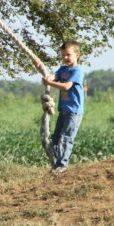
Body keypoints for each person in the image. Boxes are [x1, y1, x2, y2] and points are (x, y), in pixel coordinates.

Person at [40, 41, 85, 174]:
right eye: (63, 55)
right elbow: (55, 76)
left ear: (77, 55)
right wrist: (49, 77)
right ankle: (56, 164)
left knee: (66, 138)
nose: (65, 58)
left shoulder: (77, 70)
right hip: (63, 110)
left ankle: (63, 164)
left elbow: (66, 86)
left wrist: (50, 83)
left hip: (74, 111)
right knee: (56, 137)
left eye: (68, 55)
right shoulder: (63, 69)